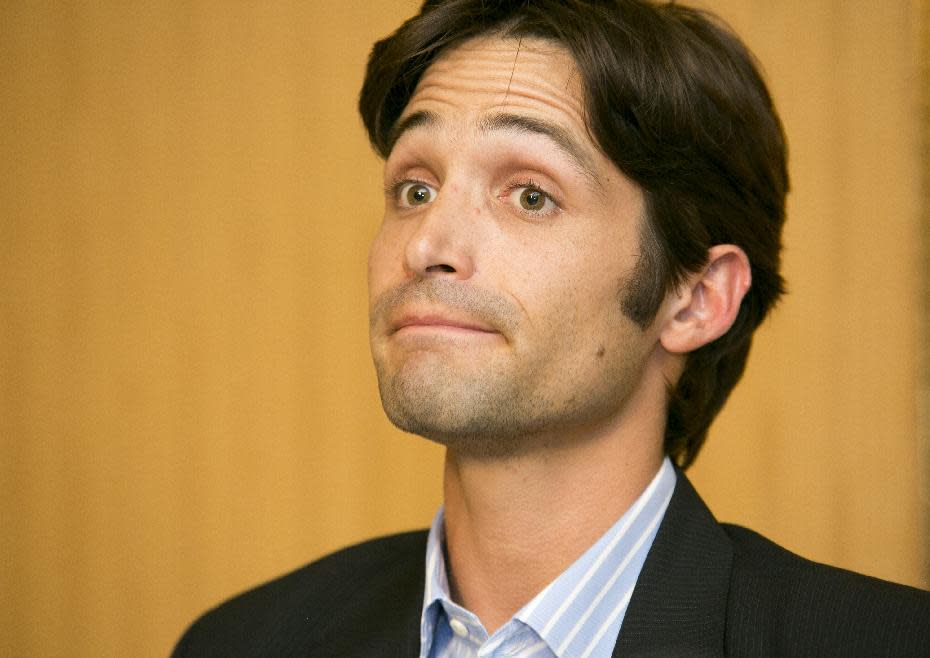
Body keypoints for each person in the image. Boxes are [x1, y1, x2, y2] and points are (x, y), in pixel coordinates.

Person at [173, 1, 930, 655]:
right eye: (415, 187)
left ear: (694, 298)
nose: (426, 245)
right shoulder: (244, 642)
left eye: (530, 195)